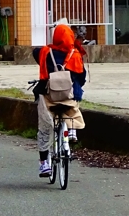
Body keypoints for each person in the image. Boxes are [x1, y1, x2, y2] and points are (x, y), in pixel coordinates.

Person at [32, 23, 87, 178]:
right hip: (68, 96)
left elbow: (34, 52)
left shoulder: (44, 52)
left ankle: (44, 164)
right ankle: (71, 130)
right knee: (73, 107)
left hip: (49, 94)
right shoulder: (75, 54)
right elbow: (82, 78)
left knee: (44, 128)